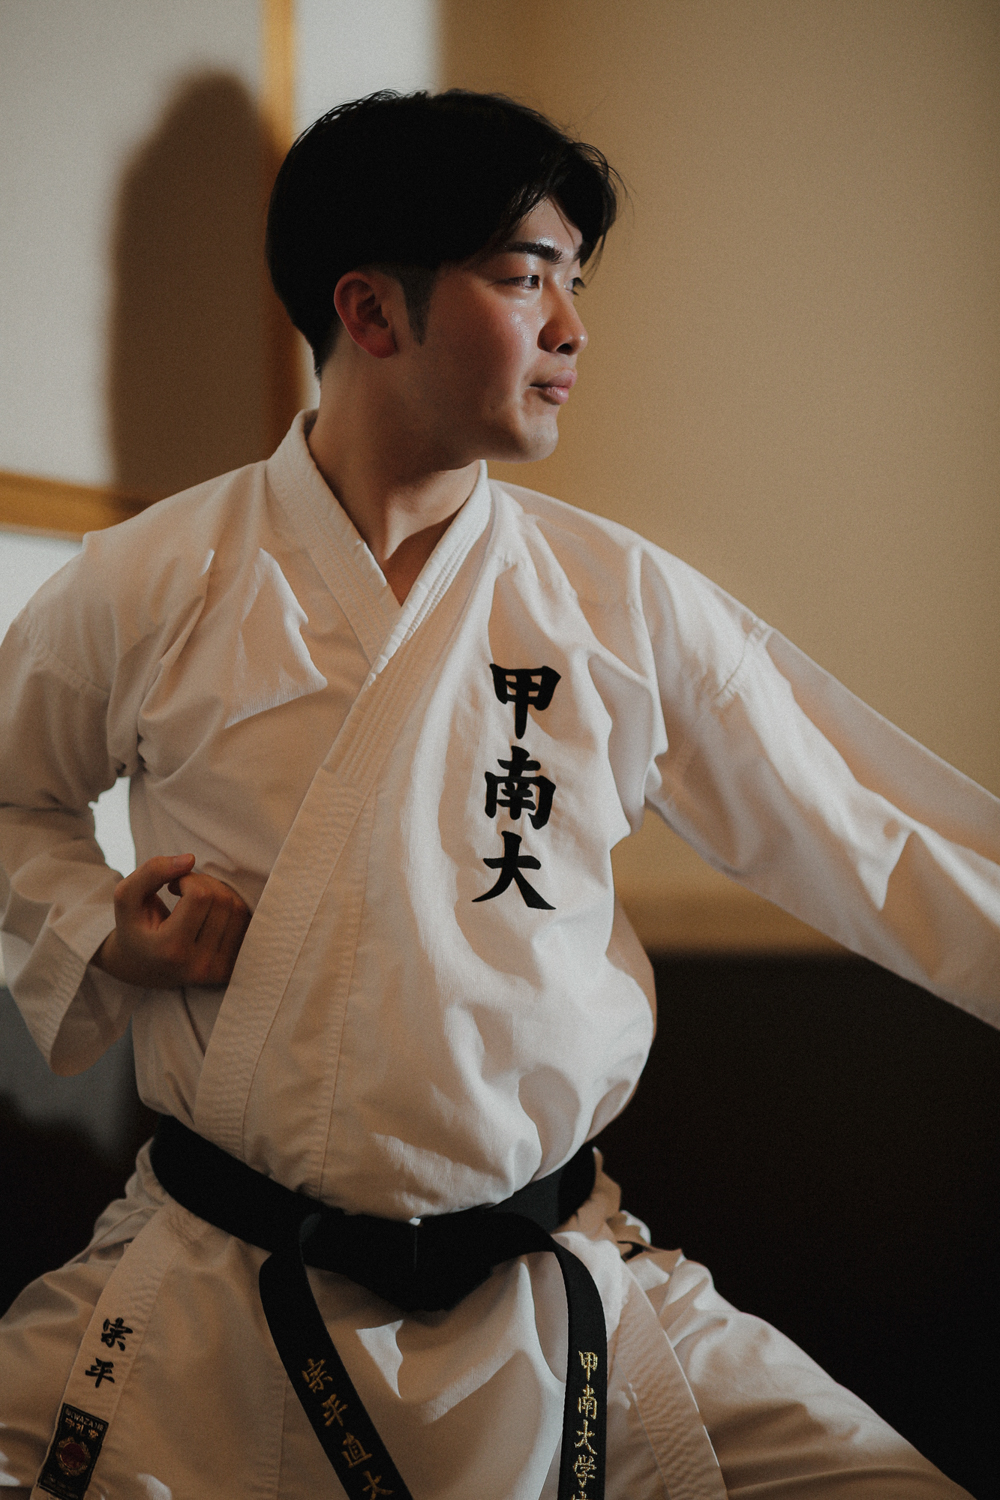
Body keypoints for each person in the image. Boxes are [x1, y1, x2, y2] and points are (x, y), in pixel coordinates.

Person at [0, 88, 996, 1500]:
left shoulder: (620, 600)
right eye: (530, 277)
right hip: (215, 1289)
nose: (572, 329)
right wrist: (103, 928)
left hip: (560, 1287)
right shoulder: (153, 579)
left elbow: (877, 839)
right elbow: (9, 802)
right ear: (372, 309)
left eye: (576, 283)